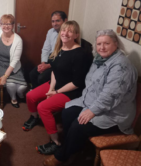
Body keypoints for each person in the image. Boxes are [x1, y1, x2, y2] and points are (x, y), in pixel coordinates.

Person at [43, 29, 138, 166]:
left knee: (78, 125)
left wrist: (92, 111)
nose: (102, 47)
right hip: (91, 101)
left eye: (106, 43)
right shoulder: (99, 59)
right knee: (67, 113)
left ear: (115, 44)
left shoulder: (121, 66)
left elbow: (110, 95)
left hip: (113, 112)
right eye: (99, 44)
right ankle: (73, 148)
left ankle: (62, 156)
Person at [23, 21, 93, 155]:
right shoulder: (60, 48)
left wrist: (56, 92)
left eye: (70, 31)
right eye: (63, 30)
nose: (65, 33)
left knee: (43, 107)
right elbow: (55, 70)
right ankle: (34, 117)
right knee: (30, 96)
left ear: (76, 35)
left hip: (71, 91)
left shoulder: (80, 54)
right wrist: (51, 89)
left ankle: (56, 142)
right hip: (56, 85)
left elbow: (77, 83)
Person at [0, 14, 27, 108]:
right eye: (4, 23)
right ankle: (13, 98)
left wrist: (5, 76)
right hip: (0, 65)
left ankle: (19, 94)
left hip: (14, 66)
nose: (6, 26)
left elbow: (15, 60)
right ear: (0, 25)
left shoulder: (18, 40)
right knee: (11, 84)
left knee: (22, 88)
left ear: (13, 25)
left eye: (9, 24)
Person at [29, 11, 67, 89]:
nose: (55, 24)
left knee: (41, 78)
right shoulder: (50, 31)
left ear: (65, 20)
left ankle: (45, 96)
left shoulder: (67, 34)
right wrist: (43, 64)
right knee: (32, 74)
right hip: (50, 59)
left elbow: (65, 57)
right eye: (53, 21)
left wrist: (48, 66)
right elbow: (46, 49)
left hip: (61, 63)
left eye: (58, 21)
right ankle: (36, 94)